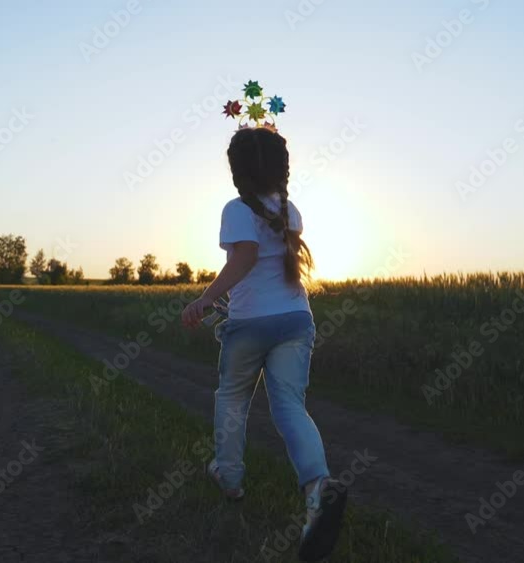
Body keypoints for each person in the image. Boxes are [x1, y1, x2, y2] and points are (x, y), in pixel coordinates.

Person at [181, 126, 346, 561]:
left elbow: (246, 257)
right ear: (281, 168)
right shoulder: (290, 211)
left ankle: (230, 477)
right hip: (296, 318)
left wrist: (206, 298)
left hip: (250, 322)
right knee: (290, 405)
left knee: (233, 397)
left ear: (238, 172)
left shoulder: (236, 210)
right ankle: (317, 488)